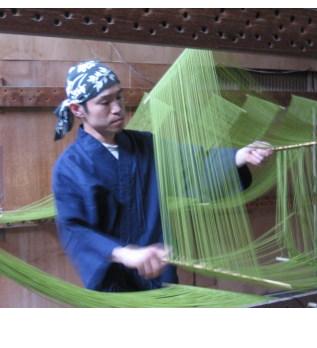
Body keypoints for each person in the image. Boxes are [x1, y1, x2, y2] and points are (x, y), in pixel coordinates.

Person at [52, 61, 272, 292]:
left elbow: (192, 166)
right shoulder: (70, 168)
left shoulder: (146, 144)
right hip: (113, 282)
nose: (117, 108)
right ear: (78, 110)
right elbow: (74, 229)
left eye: (119, 97)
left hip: (160, 276)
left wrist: (237, 157)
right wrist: (124, 254)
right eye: (104, 102)